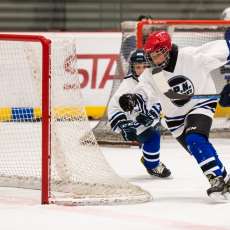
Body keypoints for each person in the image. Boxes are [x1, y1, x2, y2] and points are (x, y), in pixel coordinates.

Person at [124, 31, 230, 201]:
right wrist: (133, 98)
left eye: (157, 55)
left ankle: (216, 179)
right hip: (174, 117)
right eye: (151, 55)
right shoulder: (154, 73)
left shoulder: (192, 57)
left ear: (166, 51)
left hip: (200, 103)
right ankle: (225, 178)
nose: (153, 59)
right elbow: (144, 89)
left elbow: (226, 48)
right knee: (197, 149)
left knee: (195, 139)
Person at [108, 48, 171, 178]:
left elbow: (162, 99)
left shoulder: (157, 77)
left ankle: (148, 156)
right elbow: (114, 107)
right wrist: (124, 124)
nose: (141, 70)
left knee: (156, 129)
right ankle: (152, 165)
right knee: (153, 136)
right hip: (133, 122)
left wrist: (151, 115)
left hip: (148, 119)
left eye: (144, 66)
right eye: (138, 67)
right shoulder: (127, 85)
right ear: (132, 68)